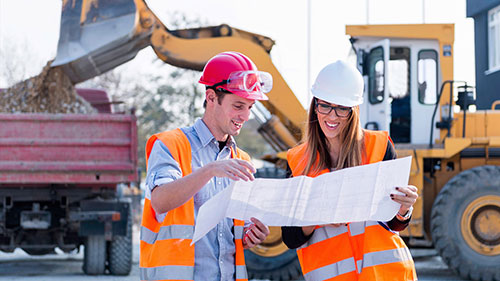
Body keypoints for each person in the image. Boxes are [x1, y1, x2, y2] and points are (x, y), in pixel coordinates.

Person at [281, 61, 419, 280]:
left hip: (385, 274)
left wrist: (404, 208)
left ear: (353, 110)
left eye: (342, 108)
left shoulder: (379, 147)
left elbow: (394, 223)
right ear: (315, 105)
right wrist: (320, 218)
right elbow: (290, 237)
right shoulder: (297, 161)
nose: (332, 116)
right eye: (325, 105)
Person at [140, 51, 271, 281]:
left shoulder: (242, 160)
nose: (246, 115)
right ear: (211, 98)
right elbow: (160, 201)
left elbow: (231, 234)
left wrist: (251, 234)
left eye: (250, 107)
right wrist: (210, 170)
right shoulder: (171, 145)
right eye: (239, 105)